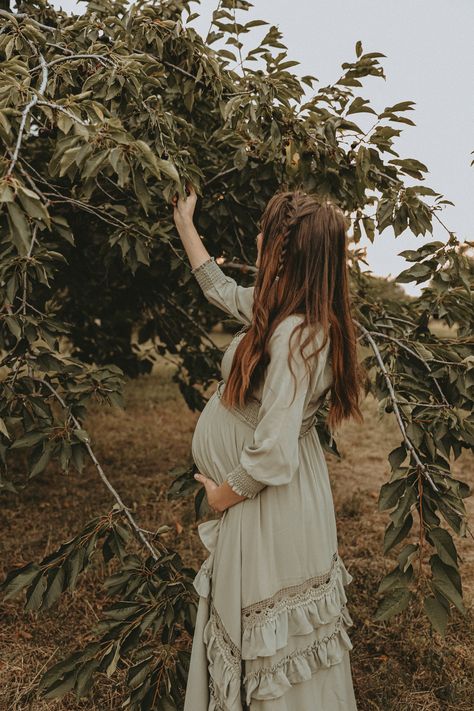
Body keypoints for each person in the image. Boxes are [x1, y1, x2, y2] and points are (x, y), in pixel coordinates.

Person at [172, 183, 363, 710]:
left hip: (268, 505)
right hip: (268, 500)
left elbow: (274, 452)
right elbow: (219, 290)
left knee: (272, 653)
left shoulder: (298, 337)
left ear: (287, 251)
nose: (257, 236)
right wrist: (186, 225)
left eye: (268, 231)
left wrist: (220, 497)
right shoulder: (280, 310)